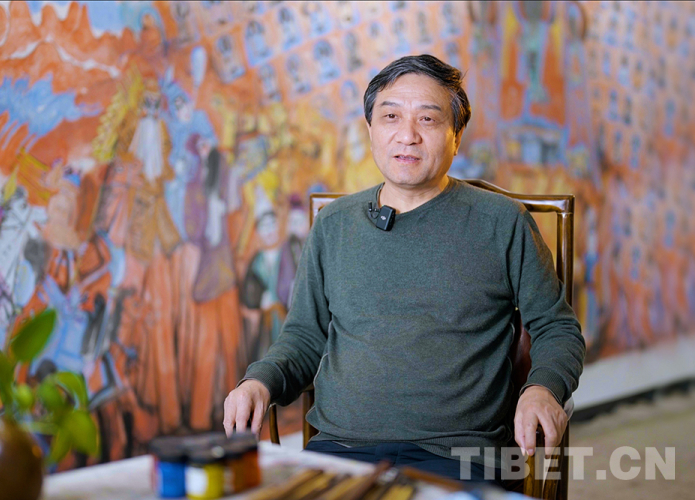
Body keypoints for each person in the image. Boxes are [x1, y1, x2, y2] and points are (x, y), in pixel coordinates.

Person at [223, 55, 585, 486]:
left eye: (427, 119)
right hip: (340, 450)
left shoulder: (501, 222)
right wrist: (259, 382)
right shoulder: (335, 225)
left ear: (456, 136)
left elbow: (557, 328)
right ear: (371, 130)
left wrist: (542, 389)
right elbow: (303, 337)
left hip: (459, 456)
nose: (407, 135)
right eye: (390, 116)